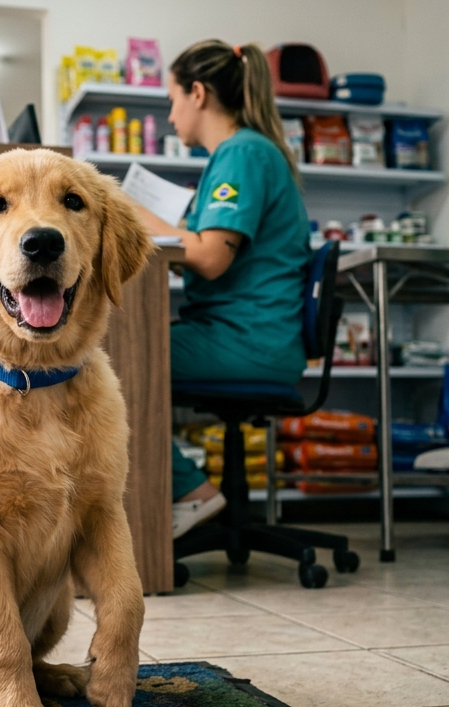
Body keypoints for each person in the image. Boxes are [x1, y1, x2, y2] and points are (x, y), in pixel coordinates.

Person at [129, 40, 311, 539]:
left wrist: (133, 212)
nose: (170, 116)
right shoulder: (237, 155)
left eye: (172, 100)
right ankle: (182, 493)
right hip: (241, 334)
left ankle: (190, 492)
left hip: (249, 342)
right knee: (122, 349)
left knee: (115, 361)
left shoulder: (243, 153)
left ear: (198, 93)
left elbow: (210, 257)